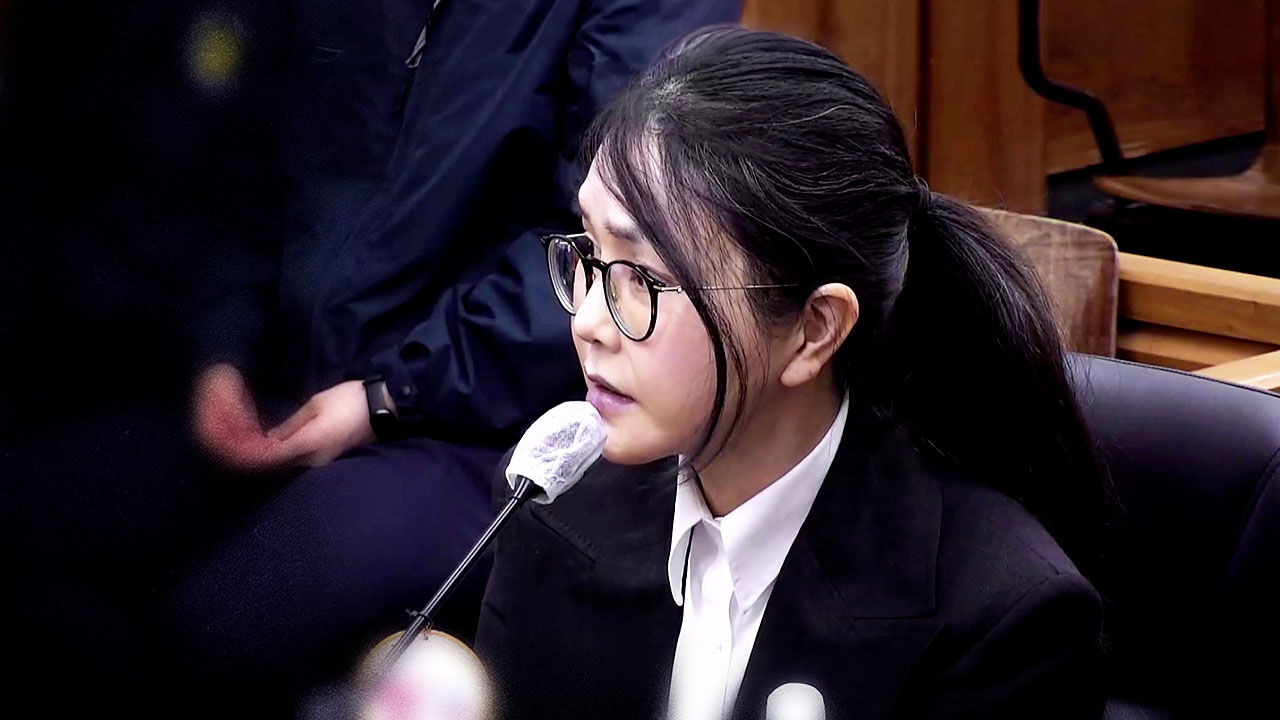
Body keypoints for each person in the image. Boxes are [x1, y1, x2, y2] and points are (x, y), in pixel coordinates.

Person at [474, 27, 1112, 720]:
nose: (589, 321)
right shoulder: (552, 504)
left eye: (642, 278)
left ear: (814, 329)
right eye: (591, 256)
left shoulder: (1000, 622)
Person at [163, 0, 740, 713]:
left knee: (230, 618)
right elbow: (255, 158)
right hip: (288, 377)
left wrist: (390, 393)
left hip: (501, 424)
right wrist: (223, 345)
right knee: (70, 529)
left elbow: (612, 238)